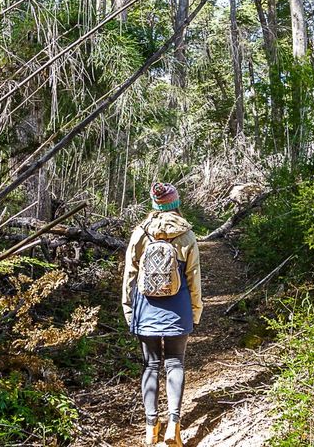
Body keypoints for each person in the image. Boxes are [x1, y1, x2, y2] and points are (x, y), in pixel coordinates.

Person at [121, 182, 203, 446]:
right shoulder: (186, 235)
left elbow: (129, 275)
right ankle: (174, 427)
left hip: (146, 309)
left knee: (151, 365)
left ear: (155, 205)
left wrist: (128, 308)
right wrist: (196, 311)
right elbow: (194, 279)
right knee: (176, 363)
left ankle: (150, 428)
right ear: (176, 204)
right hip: (178, 309)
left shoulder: (140, 234)